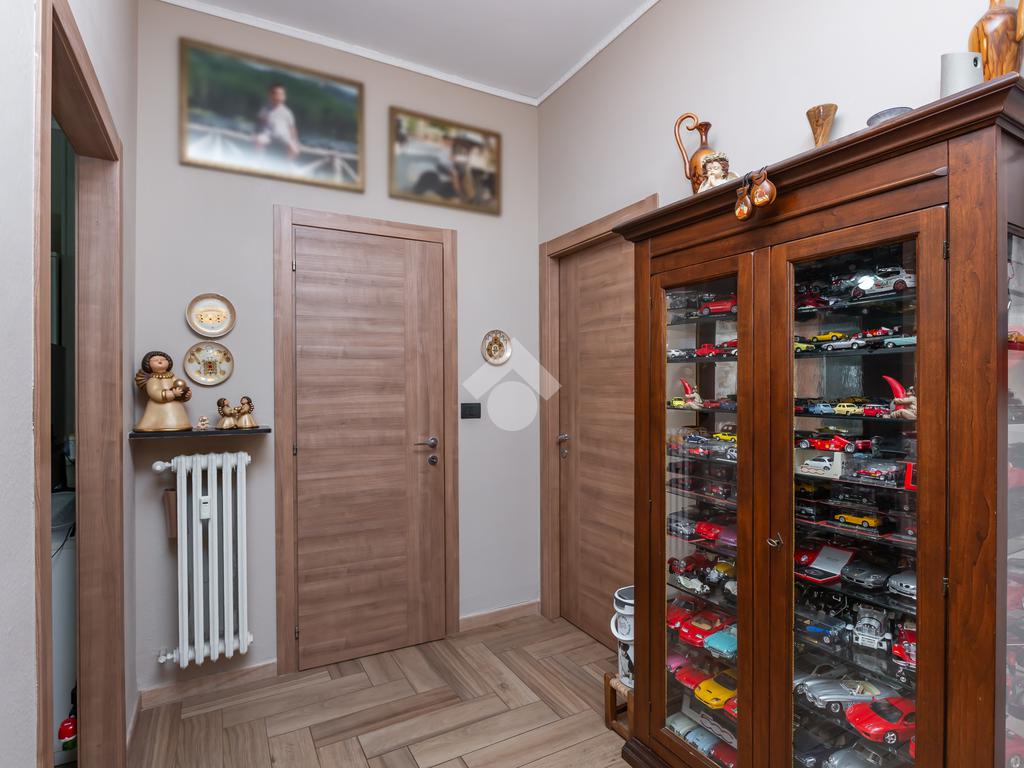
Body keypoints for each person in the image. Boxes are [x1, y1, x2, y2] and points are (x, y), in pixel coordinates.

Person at [255, 83, 300, 161]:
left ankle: (287, 163)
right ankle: (257, 160)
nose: (279, 96)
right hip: (269, 135)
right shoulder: (265, 109)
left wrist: (295, 140)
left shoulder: (287, 112)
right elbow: (260, 123)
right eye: (277, 94)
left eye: (282, 94)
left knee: (294, 148)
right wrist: (257, 133)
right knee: (258, 141)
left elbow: (292, 128)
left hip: (284, 137)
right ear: (270, 95)